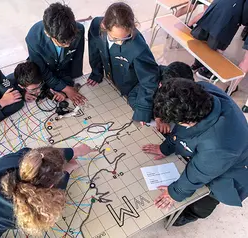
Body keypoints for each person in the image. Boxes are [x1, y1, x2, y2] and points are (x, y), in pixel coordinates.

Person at [142, 79, 248, 226]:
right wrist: (166, 148)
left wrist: (175, 192)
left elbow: (198, 173)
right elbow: (181, 131)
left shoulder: (218, 147)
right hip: (221, 150)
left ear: (188, 122)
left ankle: (191, 214)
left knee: (205, 200)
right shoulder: (198, 90)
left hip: (233, 170)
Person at [87, 2, 160, 125]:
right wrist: (96, 72)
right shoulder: (96, 25)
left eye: (125, 37)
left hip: (131, 87)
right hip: (111, 81)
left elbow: (149, 79)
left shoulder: (138, 47)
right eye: (115, 38)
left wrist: (142, 110)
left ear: (133, 26)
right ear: (104, 26)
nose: (120, 43)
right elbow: (94, 50)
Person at [25, 2, 86, 105]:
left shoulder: (79, 29)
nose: (67, 45)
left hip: (64, 71)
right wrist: (65, 88)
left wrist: (73, 83)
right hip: (46, 73)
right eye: (62, 42)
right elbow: (42, 70)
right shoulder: (33, 37)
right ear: (47, 33)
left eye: (70, 41)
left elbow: (77, 60)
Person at [190, 0, 248, 81]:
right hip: (229, 16)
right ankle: (207, 71)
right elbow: (246, 13)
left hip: (216, 5)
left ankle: (197, 64)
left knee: (202, 40)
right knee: (217, 46)